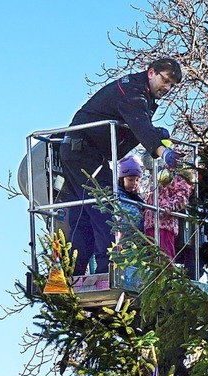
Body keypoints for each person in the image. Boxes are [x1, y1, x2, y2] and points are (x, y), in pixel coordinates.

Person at [60, 58, 183, 275]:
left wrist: (154, 133)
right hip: (83, 153)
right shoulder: (133, 92)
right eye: (165, 81)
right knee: (105, 207)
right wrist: (163, 152)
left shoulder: (140, 94)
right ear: (151, 72)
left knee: (85, 213)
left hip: (82, 153)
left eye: (171, 85)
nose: (167, 88)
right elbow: (139, 124)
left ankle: (75, 271)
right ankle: (107, 270)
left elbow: (137, 126)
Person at [144, 169, 196, 260]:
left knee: (154, 253)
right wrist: (170, 207)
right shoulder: (181, 183)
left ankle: (156, 271)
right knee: (165, 253)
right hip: (165, 222)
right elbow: (181, 199)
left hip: (150, 220)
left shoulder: (164, 180)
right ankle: (166, 272)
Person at [116, 154, 145, 235]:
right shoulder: (117, 195)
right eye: (130, 180)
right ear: (122, 179)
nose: (134, 183)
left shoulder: (136, 198)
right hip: (124, 236)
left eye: (137, 180)